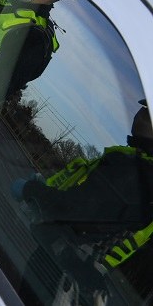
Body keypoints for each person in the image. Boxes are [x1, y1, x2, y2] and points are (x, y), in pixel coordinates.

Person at [11, 102, 153, 300]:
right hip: (78, 273)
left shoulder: (136, 173)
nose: (139, 114)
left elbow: (69, 210)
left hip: (59, 269)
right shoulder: (141, 171)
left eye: (147, 112)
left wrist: (29, 189)